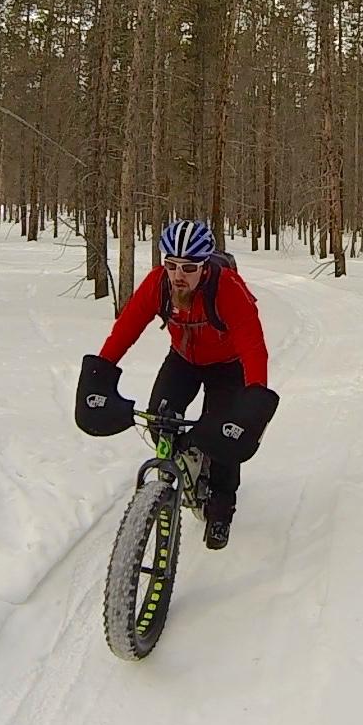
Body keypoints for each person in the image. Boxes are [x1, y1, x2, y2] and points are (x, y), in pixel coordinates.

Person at [87, 218, 275, 550]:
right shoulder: (158, 284)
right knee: (160, 418)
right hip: (183, 360)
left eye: (188, 268)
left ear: (203, 267)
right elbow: (126, 328)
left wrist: (255, 393)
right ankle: (170, 481)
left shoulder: (228, 289)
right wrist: (101, 370)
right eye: (171, 265)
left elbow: (252, 346)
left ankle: (221, 508)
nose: (178, 275)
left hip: (227, 367)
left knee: (222, 439)